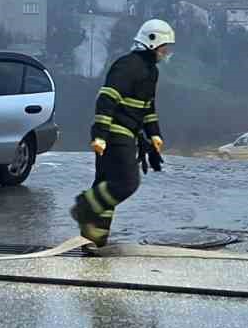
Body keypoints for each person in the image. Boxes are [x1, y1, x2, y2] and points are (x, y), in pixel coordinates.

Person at [70, 18, 173, 248]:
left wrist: (154, 134)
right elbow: (106, 99)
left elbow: (148, 107)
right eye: (165, 46)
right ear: (152, 42)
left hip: (128, 133)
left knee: (105, 184)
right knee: (126, 182)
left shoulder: (151, 71)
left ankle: (94, 236)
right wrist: (100, 135)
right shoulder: (128, 66)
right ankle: (85, 207)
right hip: (116, 133)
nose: (167, 52)